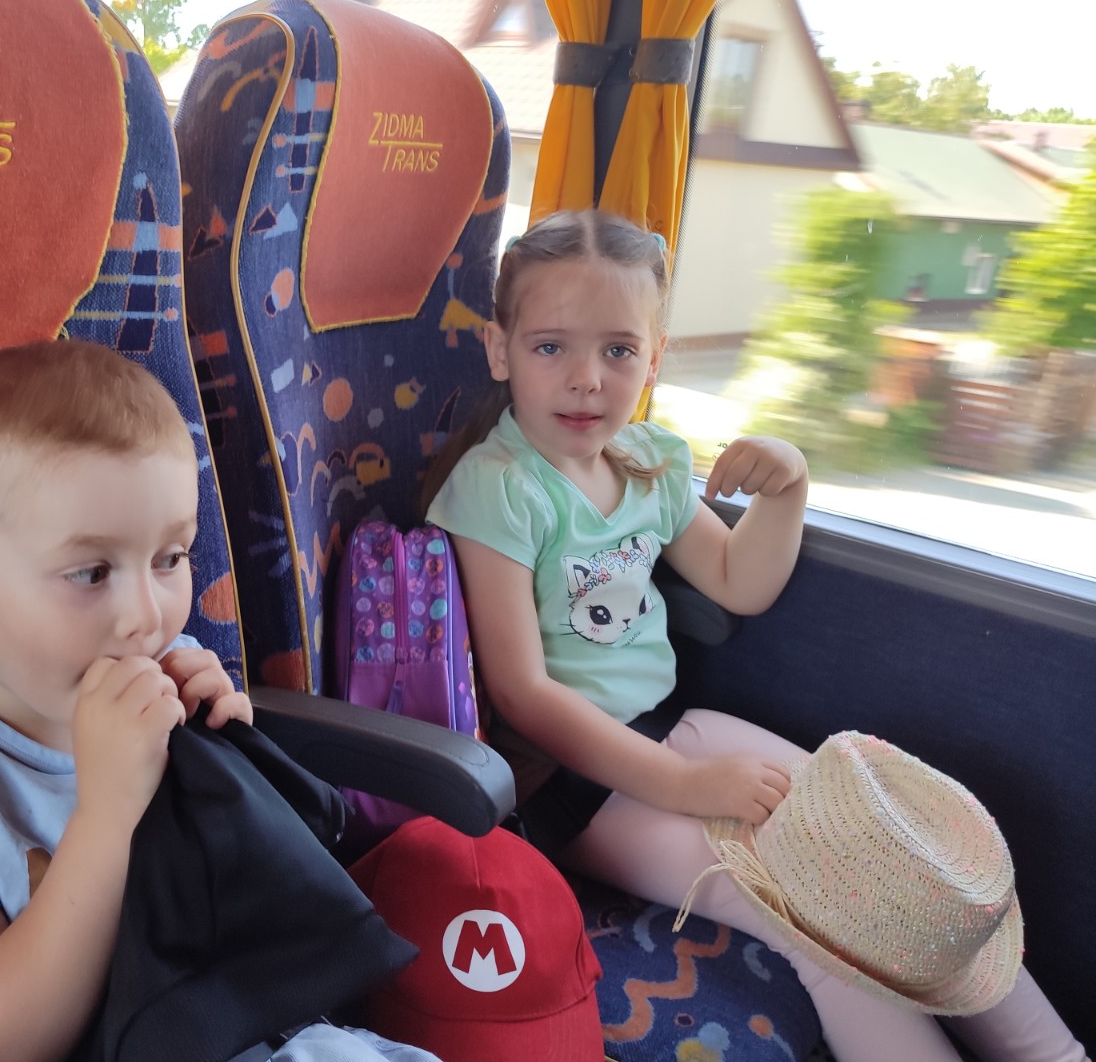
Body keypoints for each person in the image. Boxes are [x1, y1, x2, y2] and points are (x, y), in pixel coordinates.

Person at [423, 208, 1087, 1062]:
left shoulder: (647, 463)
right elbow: (524, 693)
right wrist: (686, 784)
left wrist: (789, 487)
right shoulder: (500, 487)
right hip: (572, 782)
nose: (587, 379)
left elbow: (741, 580)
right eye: (551, 347)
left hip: (669, 728)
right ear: (500, 349)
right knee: (814, 919)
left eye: (619, 350)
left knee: (884, 845)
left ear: (654, 359)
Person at [0, 340, 440, 1062]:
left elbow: (253, 925)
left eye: (171, 558)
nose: (147, 615)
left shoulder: (159, 671)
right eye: (90, 572)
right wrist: (105, 820)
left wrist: (230, 766)